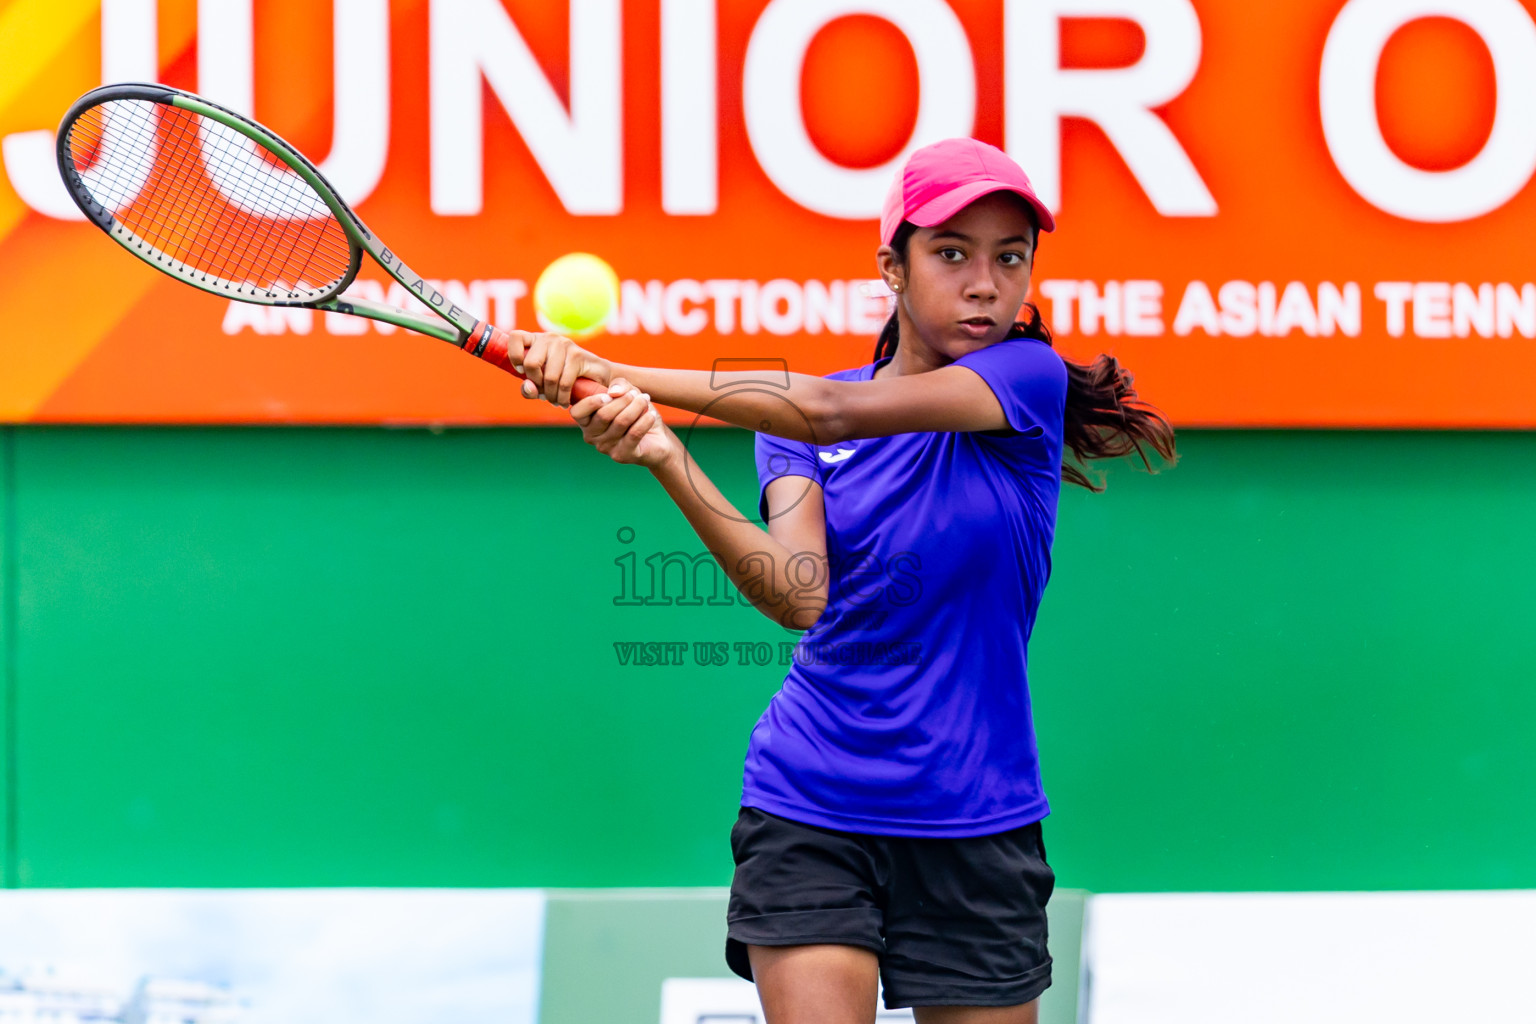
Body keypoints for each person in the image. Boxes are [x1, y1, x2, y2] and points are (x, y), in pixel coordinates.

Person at [508, 138, 1176, 1024]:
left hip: (978, 817)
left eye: (1009, 258)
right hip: (812, 799)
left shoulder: (1025, 378)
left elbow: (828, 405)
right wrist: (666, 457)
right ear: (890, 269)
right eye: (951, 254)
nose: (985, 283)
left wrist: (609, 370)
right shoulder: (793, 434)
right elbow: (796, 593)